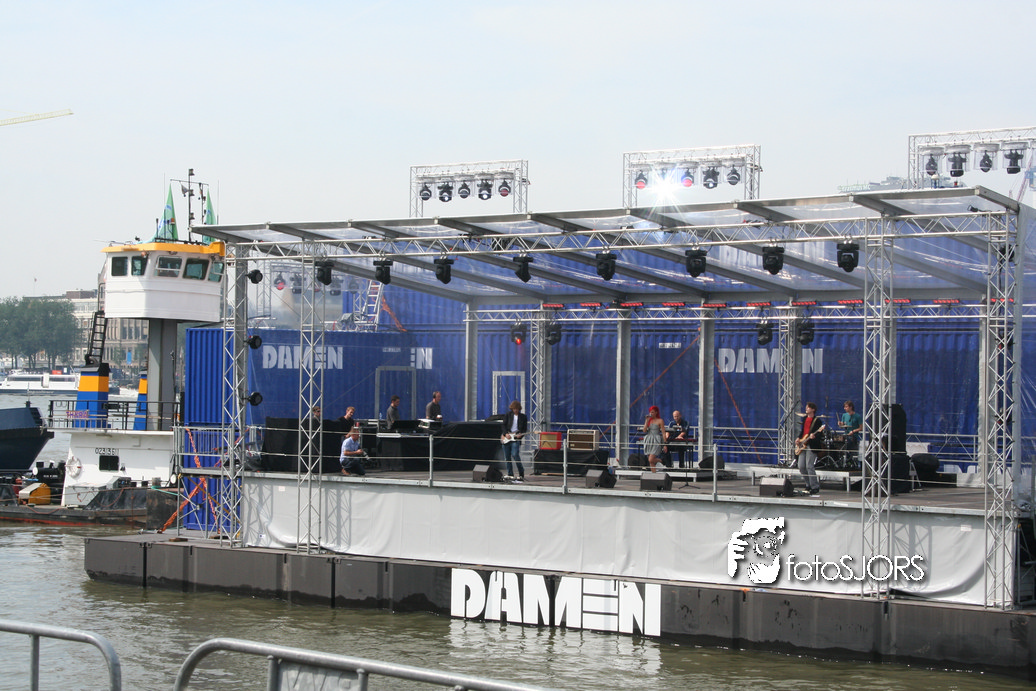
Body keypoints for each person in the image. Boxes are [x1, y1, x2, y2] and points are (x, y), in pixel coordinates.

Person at [795, 402, 826, 495]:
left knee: (809, 466)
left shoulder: (817, 421)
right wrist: (798, 438)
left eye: (808, 408)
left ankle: (814, 486)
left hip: (811, 445)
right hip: (803, 443)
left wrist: (814, 436)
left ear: (813, 409)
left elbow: (819, 433)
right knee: (801, 466)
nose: (806, 409)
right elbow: (803, 431)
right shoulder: (805, 419)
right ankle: (808, 484)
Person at [500, 400, 527, 480]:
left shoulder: (523, 417)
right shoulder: (508, 415)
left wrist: (521, 435)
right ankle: (510, 473)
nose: (515, 410)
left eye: (517, 409)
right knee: (507, 457)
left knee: (515, 455)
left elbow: (524, 429)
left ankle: (521, 472)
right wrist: (505, 434)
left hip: (515, 438)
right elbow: (503, 425)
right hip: (508, 437)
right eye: (514, 409)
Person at [642, 405, 667, 472]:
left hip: (656, 440)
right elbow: (644, 430)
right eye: (650, 412)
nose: (651, 413)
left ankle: (661, 460)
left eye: (652, 412)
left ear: (656, 412)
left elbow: (663, 432)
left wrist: (665, 444)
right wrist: (646, 421)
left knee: (651, 459)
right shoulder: (649, 420)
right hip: (649, 439)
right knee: (651, 461)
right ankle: (654, 473)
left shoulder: (660, 420)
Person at [837, 400, 863, 466]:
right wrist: (840, 424)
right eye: (844, 407)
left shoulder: (857, 416)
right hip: (846, 434)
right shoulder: (844, 415)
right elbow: (843, 425)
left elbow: (861, 428)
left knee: (852, 450)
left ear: (851, 407)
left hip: (854, 436)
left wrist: (853, 431)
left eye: (846, 407)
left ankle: (853, 463)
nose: (844, 408)